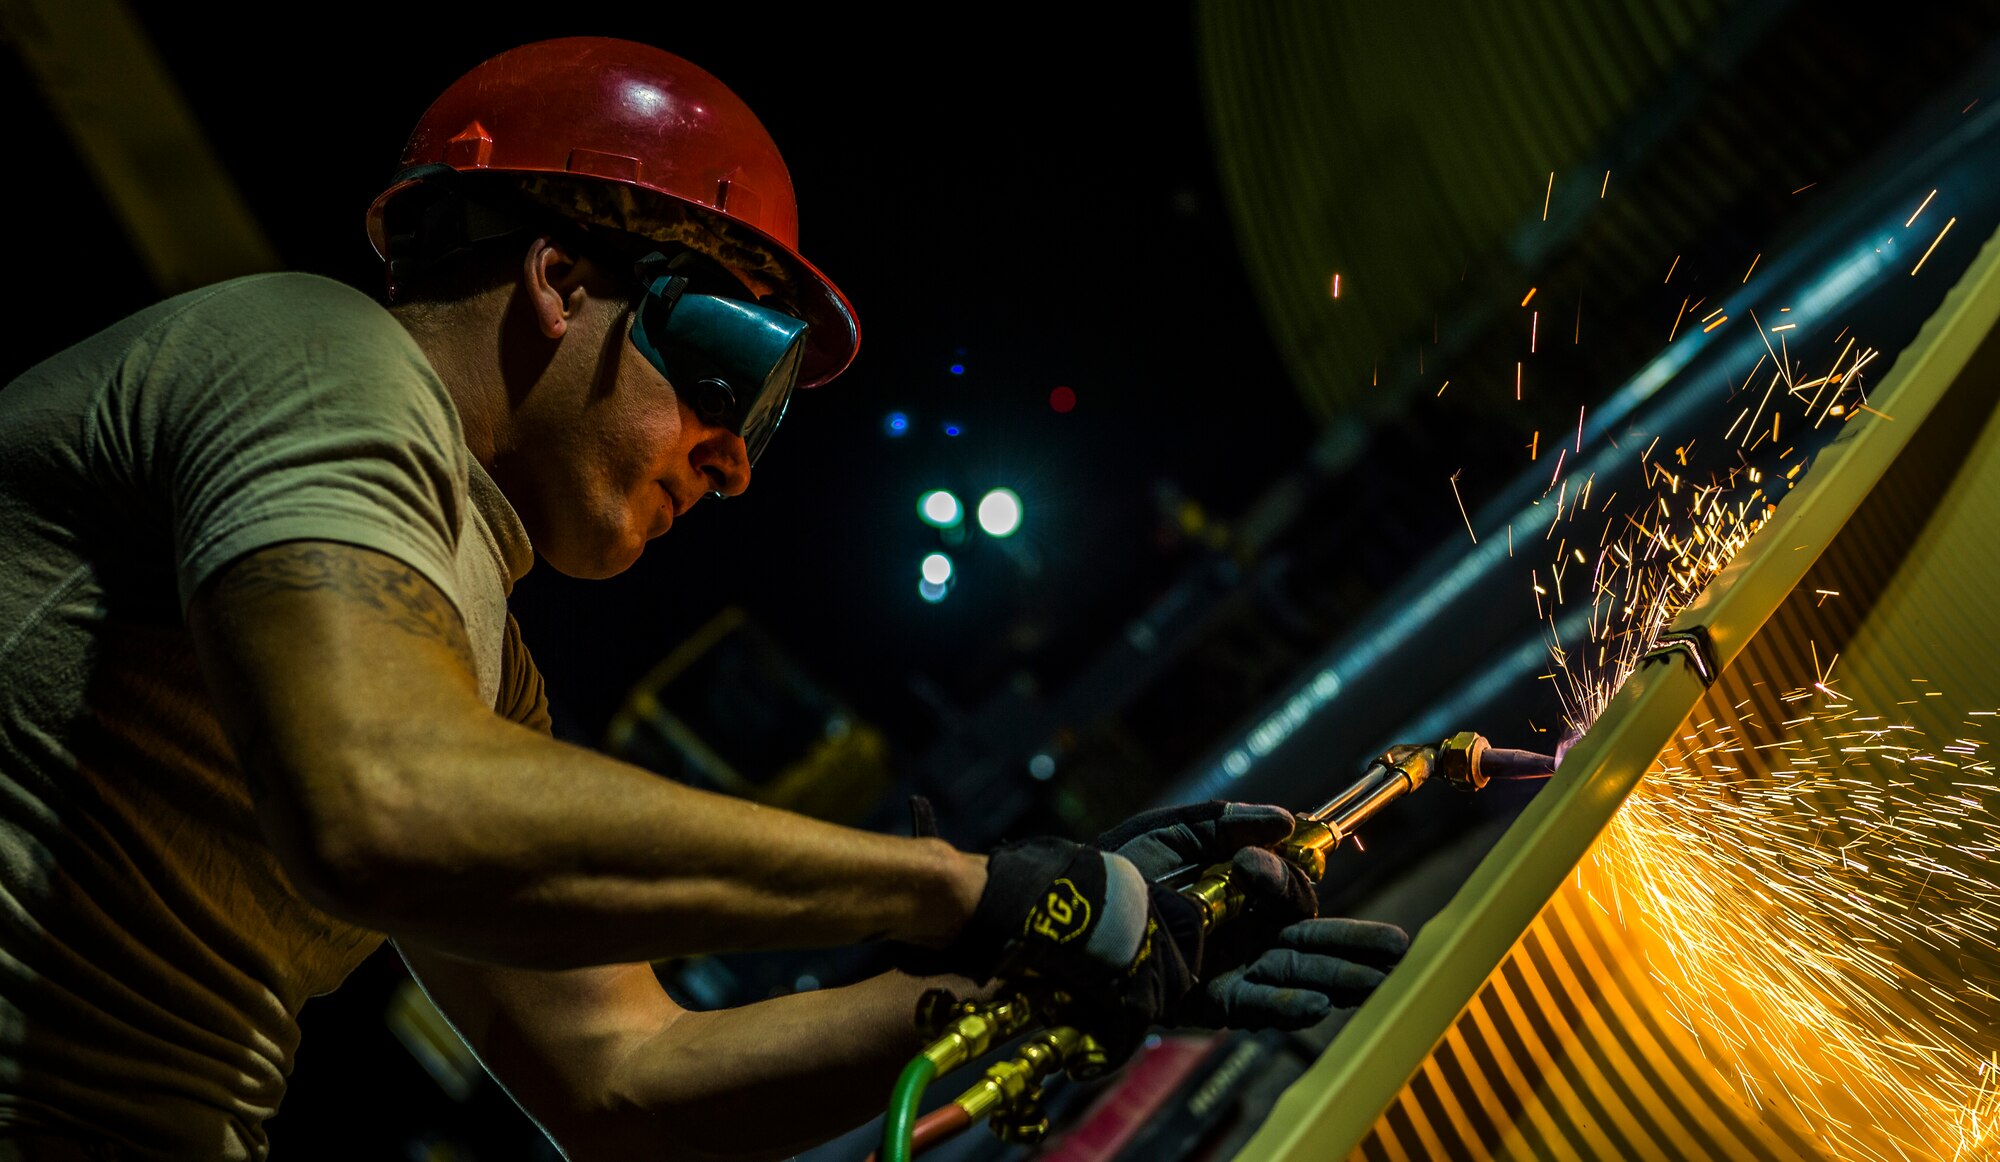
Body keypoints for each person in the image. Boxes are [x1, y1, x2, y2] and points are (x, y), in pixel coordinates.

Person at [0, 36, 1409, 1161]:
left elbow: (628, 1082)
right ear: (559, 279)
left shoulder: (477, 679)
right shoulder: (314, 353)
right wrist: (968, 892)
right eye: (731, 370)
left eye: (776, 419)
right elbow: (379, 800)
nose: (736, 460)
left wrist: (1056, 985)